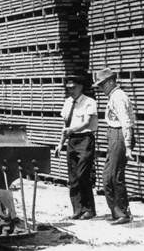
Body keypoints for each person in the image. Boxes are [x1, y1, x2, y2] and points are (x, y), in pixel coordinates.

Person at [94, 67, 137, 225]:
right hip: (114, 136)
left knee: (115, 176)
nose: (101, 88)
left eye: (102, 85)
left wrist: (128, 145)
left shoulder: (118, 96)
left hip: (119, 136)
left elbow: (126, 122)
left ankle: (123, 213)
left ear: (111, 82)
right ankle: (116, 212)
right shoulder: (113, 96)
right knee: (107, 177)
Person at [54, 74, 98, 220]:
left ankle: (89, 209)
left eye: (73, 88)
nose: (70, 91)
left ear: (80, 87)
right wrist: (60, 143)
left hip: (85, 139)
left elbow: (86, 123)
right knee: (73, 177)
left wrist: (72, 130)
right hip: (71, 140)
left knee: (82, 174)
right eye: (68, 88)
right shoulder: (68, 102)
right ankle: (77, 210)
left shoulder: (89, 102)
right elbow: (65, 125)